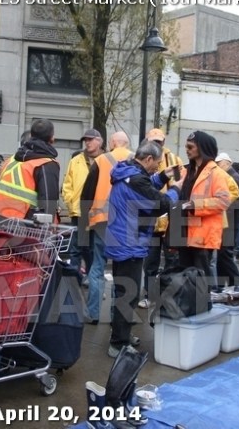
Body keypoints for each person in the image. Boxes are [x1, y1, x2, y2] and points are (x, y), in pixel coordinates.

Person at [104, 141, 183, 357]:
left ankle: (121, 334)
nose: (157, 167)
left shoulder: (128, 172)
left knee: (124, 291)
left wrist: (163, 176)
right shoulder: (136, 179)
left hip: (122, 240)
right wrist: (176, 188)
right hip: (129, 244)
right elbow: (161, 204)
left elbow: (145, 187)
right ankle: (118, 344)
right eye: (157, 163)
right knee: (128, 294)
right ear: (148, 159)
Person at [80, 131, 133, 324]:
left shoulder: (101, 160)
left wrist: (85, 220)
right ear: (127, 144)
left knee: (97, 267)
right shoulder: (136, 160)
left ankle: (93, 314)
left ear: (111, 143)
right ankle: (115, 317)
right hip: (126, 223)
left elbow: (87, 193)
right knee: (121, 270)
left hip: (102, 220)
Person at [170, 131, 231, 286]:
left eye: (190, 147)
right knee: (186, 279)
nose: (187, 150)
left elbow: (223, 201)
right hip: (185, 233)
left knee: (201, 279)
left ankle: (204, 300)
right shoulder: (186, 171)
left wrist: (195, 205)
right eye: (186, 147)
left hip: (203, 236)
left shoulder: (216, 173)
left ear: (202, 148)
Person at [139, 128, 183, 309]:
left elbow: (179, 188)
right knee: (151, 261)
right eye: (153, 141)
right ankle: (150, 295)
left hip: (171, 218)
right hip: (152, 220)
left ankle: (168, 296)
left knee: (172, 261)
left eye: (159, 141)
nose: (157, 144)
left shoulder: (174, 160)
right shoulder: (144, 160)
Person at [0, 119, 59, 224]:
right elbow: (48, 203)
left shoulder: (11, 160)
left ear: (31, 135)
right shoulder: (47, 164)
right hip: (20, 223)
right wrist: (49, 226)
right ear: (52, 138)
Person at [61, 129, 104, 284]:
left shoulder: (106, 160)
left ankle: (93, 280)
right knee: (76, 249)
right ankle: (74, 281)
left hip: (99, 213)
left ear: (99, 141)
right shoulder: (76, 161)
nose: (87, 142)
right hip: (79, 212)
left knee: (92, 249)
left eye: (90, 139)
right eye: (86, 140)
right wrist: (71, 202)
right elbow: (67, 185)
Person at [214, 153, 239, 291]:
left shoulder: (233, 178)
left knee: (224, 253)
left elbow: (230, 203)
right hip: (230, 221)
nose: (217, 166)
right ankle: (221, 284)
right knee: (223, 254)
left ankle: (237, 282)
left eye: (219, 163)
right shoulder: (233, 176)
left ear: (227, 163)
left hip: (230, 222)